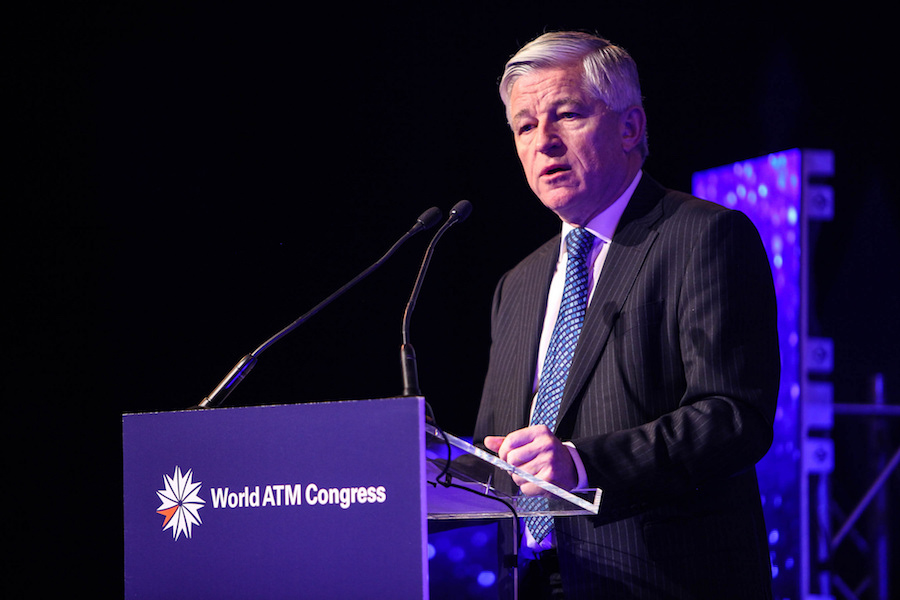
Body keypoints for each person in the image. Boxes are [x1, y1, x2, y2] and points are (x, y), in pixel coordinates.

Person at [475, 31, 780, 599]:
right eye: (523, 127)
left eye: (566, 115)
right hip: (530, 582)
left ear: (631, 127)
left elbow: (734, 417)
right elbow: (492, 452)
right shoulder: (515, 286)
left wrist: (582, 464)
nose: (544, 142)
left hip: (663, 580)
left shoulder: (704, 237)